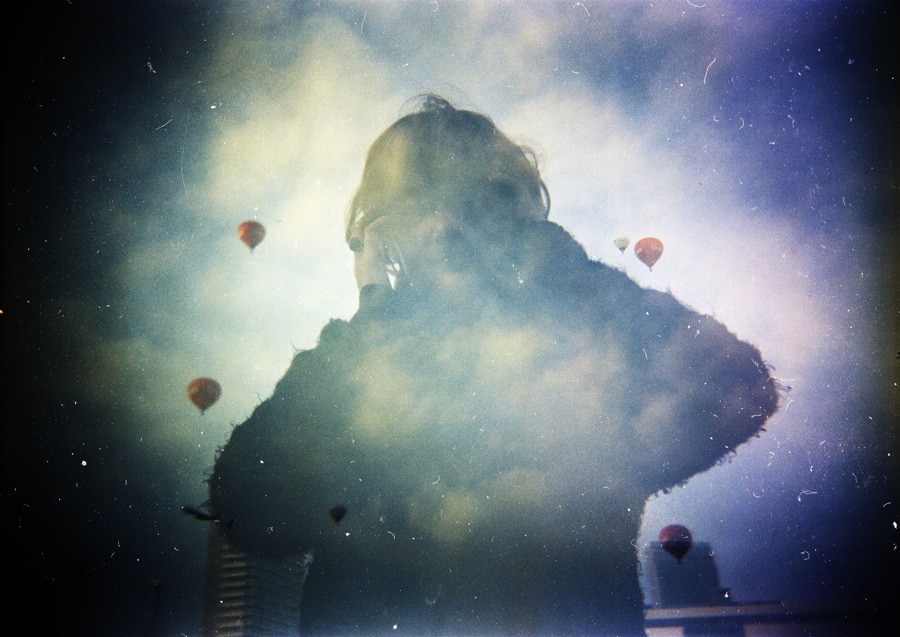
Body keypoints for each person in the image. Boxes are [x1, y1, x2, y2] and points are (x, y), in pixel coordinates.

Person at [208, 94, 779, 636]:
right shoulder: (377, 352)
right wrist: (378, 310)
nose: (443, 226)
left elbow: (736, 385)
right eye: (419, 206)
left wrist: (542, 253)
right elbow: (246, 505)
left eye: (474, 204)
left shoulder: (577, 336)